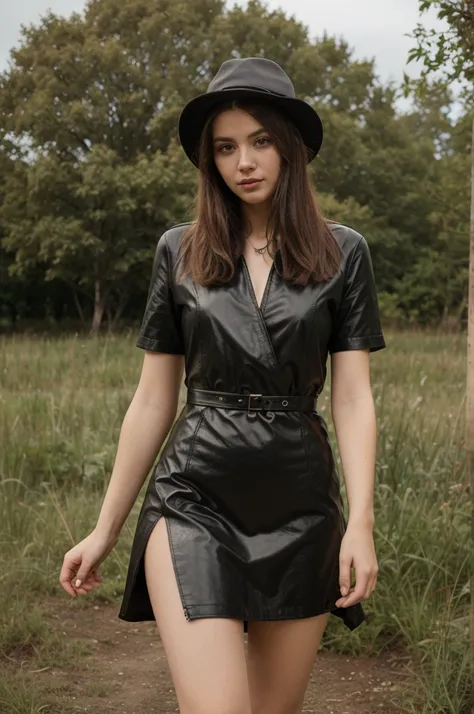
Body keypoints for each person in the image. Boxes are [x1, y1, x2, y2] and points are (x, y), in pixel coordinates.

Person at [60, 57, 386, 714]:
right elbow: (153, 399)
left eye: (261, 140)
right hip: (195, 497)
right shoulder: (178, 250)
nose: (245, 161)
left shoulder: (343, 253)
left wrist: (362, 523)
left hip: (301, 507)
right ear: (210, 161)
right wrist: (105, 528)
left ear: (290, 147)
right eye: (227, 146)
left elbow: (352, 397)